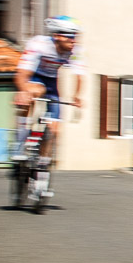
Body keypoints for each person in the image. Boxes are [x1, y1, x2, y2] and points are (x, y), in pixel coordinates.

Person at [13, 15, 86, 166]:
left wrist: (77, 96)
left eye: (75, 37)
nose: (74, 41)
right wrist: (23, 90)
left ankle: (42, 169)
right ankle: (20, 141)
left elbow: (79, 76)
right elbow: (22, 73)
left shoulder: (76, 51)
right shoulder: (38, 44)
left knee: (54, 130)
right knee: (33, 92)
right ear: (57, 36)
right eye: (70, 37)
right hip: (35, 77)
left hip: (52, 82)